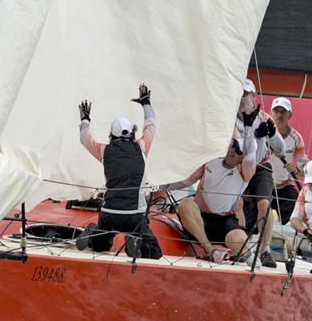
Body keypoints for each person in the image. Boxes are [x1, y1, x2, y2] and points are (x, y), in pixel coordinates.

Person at [158, 106, 260, 263]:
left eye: (238, 151)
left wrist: (247, 128)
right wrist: (158, 186)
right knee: (186, 204)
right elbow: (187, 181)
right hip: (200, 219)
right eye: (233, 146)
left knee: (239, 239)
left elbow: (251, 153)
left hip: (224, 221)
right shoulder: (212, 160)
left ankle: (245, 255)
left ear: (243, 158)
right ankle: (211, 251)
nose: (232, 151)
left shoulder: (244, 170)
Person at [75, 83, 162, 259]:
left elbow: (84, 138)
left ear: (111, 135)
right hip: (135, 216)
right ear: (132, 133)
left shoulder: (105, 151)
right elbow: (151, 124)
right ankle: (135, 241)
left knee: (100, 247)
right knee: (155, 252)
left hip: (110, 214)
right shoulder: (142, 146)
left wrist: (85, 119)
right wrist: (145, 102)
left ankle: (94, 234)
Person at [234, 83, 286, 269]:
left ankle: (265, 250)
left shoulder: (264, 118)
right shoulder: (230, 118)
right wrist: (255, 135)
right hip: (237, 166)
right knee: (236, 204)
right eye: (239, 93)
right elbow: (242, 151)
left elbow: (281, 148)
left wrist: (271, 134)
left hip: (261, 167)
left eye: (246, 94)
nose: (242, 98)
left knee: (264, 203)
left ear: (253, 96)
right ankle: (242, 249)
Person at [269, 96, 309, 224]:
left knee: (296, 216)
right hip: (262, 185)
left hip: (284, 185)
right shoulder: (261, 133)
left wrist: (296, 169)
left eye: (283, 112)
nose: (279, 115)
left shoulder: (296, 138)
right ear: (271, 113)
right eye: (276, 111)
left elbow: (305, 169)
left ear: (289, 115)